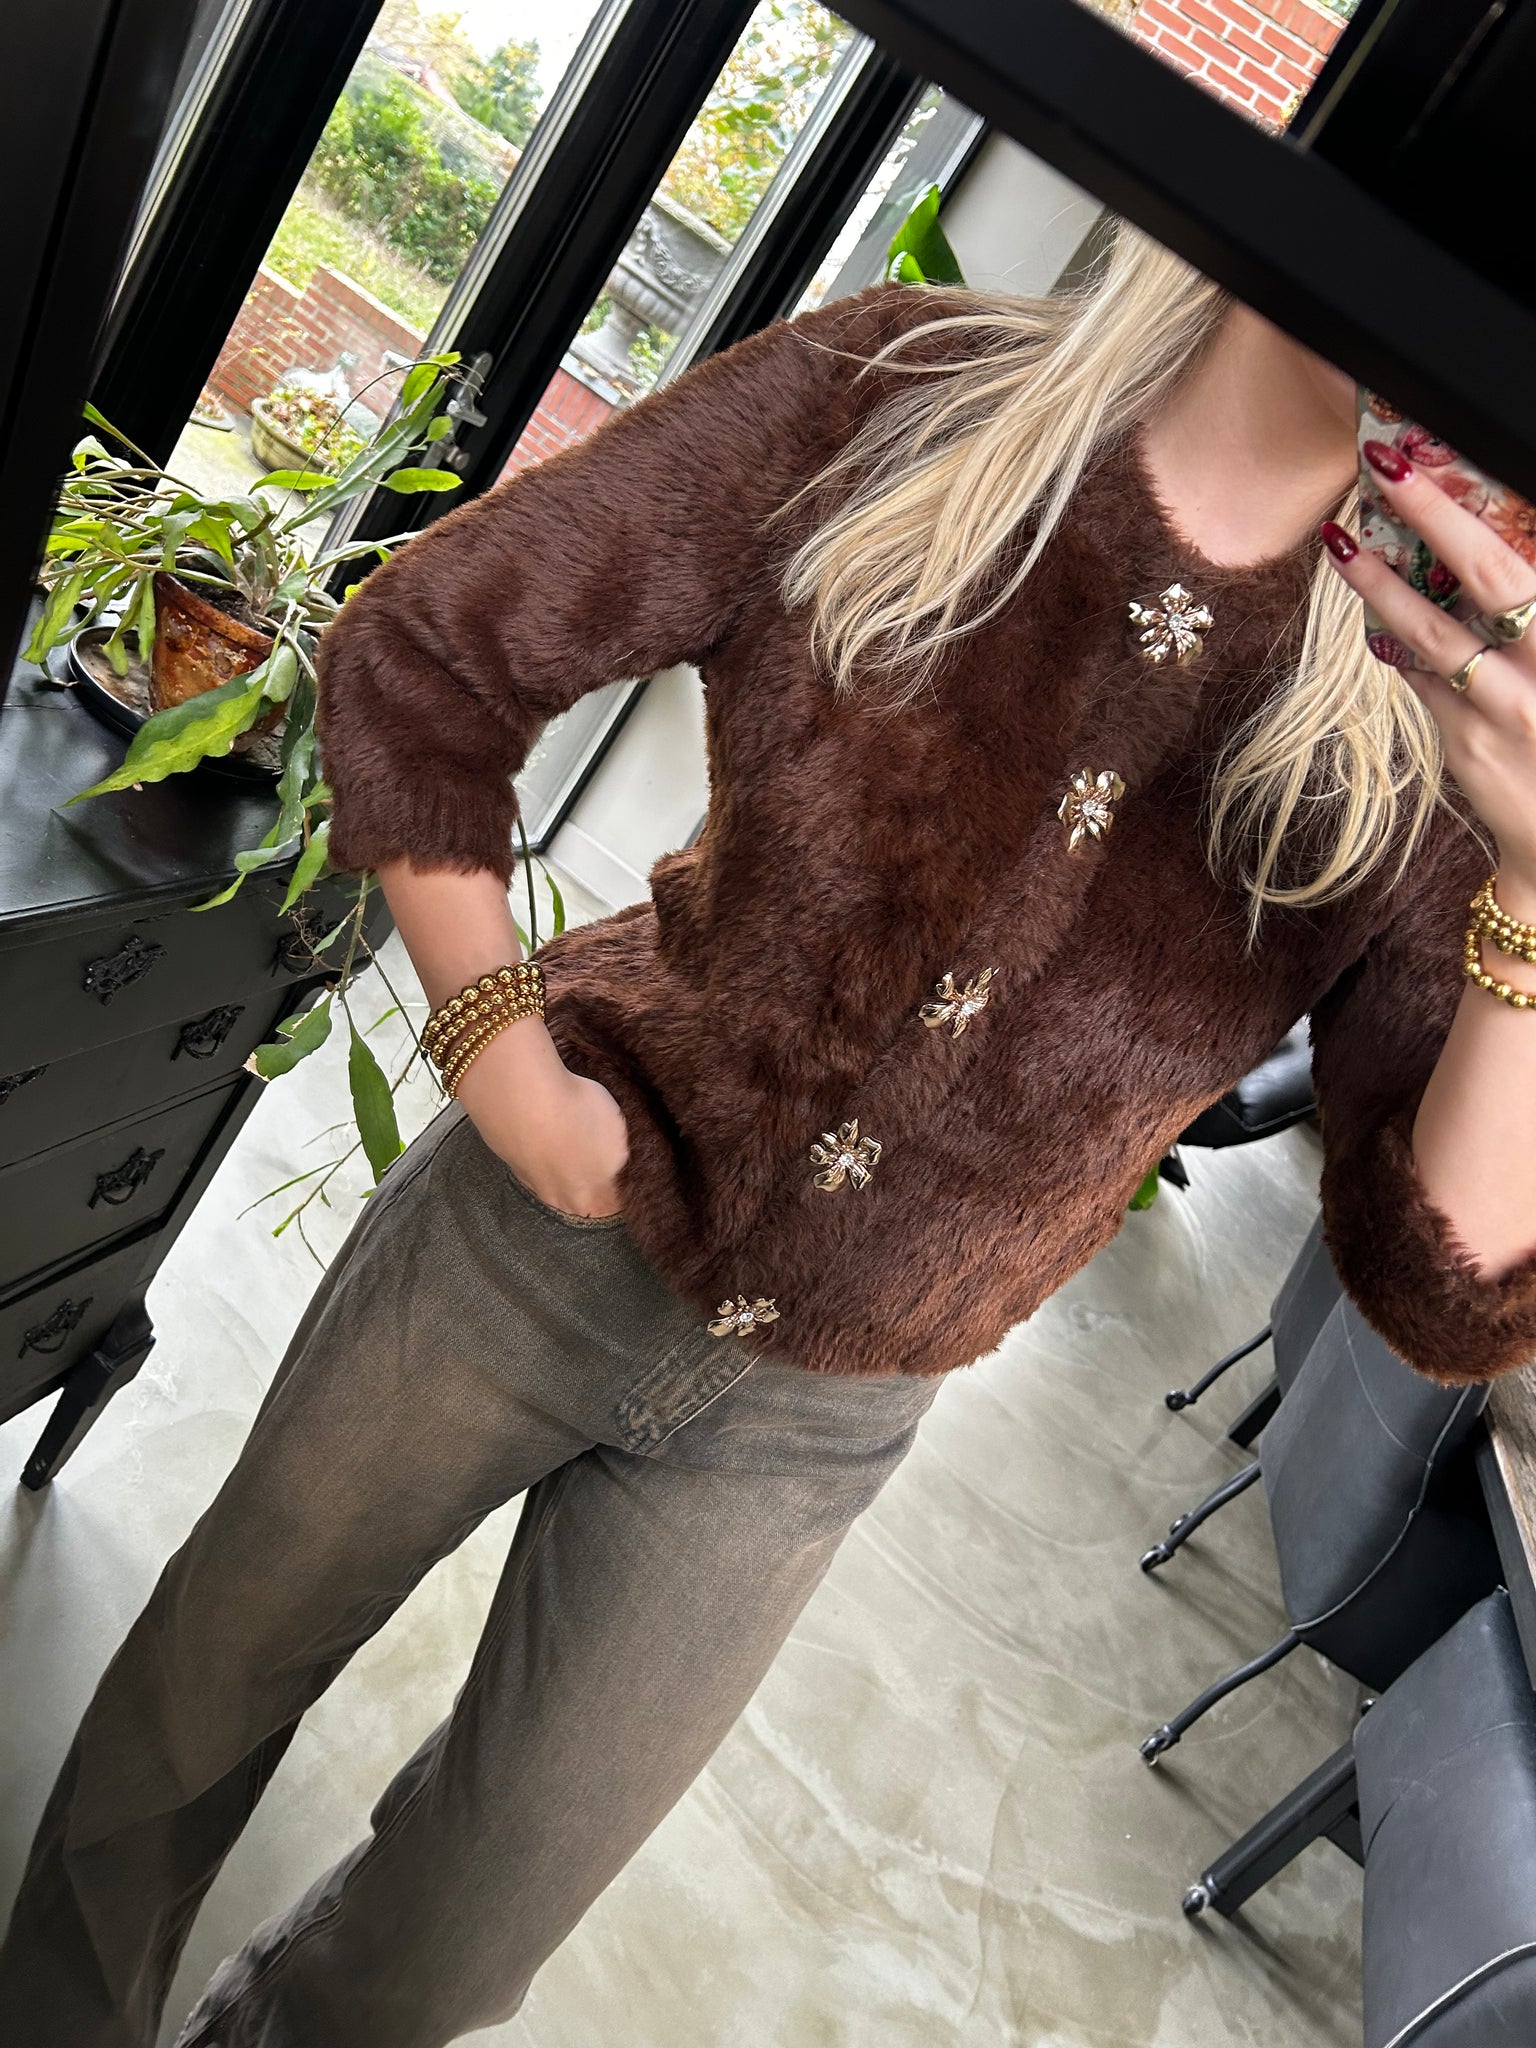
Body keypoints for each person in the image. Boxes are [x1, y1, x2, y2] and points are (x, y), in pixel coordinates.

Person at [3, 221, 1535, 2048]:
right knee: (193, 1710)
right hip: (530, 1242)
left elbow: (1437, 1288)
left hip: (817, 1420)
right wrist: (503, 1064)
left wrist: (1533, 889)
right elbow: (428, 653)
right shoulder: (908, 390)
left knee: (453, 1952)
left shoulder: (1449, 703)